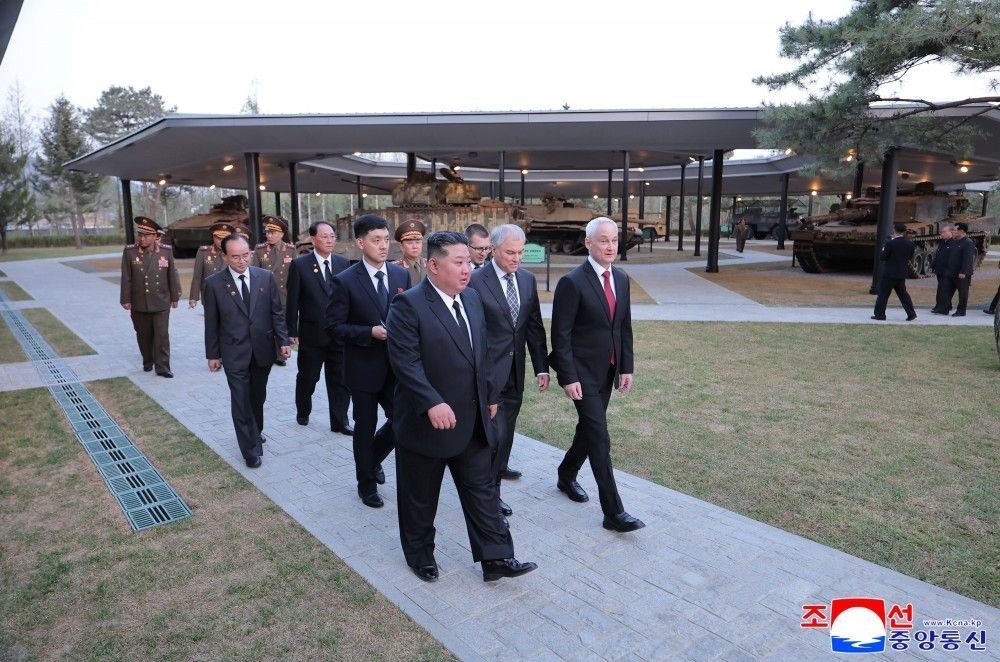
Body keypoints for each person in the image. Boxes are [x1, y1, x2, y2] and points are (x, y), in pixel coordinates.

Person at [387, 231, 537, 583]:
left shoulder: (471, 298)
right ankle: (420, 555)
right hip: (427, 424)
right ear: (433, 265)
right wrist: (431, 402)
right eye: (459, 262)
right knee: (420, 497)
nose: (468, 269)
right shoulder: (408, 305)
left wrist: (491, 396)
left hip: (473, 419)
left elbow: (481, 354)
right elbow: (406, 363)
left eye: (468, 261)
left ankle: (497, 558)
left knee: (482, 492)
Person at [549, 217, 644, 533]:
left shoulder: (622, 279)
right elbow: (561, 335)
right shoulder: (572, 282)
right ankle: (613, 513)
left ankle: (566, 474)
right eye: (604, 240)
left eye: (614, 240)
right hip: (581, 374)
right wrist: (568, 376)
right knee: (600, 437)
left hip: (608, 371)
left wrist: (626, 366)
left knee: (589, 430)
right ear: (588, 242)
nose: (610, 246)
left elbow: (624, 327)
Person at [327, 214, 411, 508]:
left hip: (396, 367)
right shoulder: (345, 281)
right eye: (376, 240)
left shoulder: (400, 275)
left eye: (386, 239)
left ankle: (372, 458)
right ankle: (366, 485)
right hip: (362, 369)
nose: (384, 245)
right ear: (360, 243)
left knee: (402, 420)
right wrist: (368, 332)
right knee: (364, 427)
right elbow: (333, 327)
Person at [469, 224, 549, 519]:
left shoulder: (527, 280)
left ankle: (492, 488)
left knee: (506, 436)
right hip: (486, 376)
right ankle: (487, 498)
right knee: (493, 436)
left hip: (515, 373)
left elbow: (533, 327)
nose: (517, 258)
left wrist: (542, 368)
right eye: (510, 253)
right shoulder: (476, 281)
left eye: (520, 252)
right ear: (493, 250)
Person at [202, 233, 291, 468]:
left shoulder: (265, 277)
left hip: (262, 349)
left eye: (245, 255)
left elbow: (276, 313)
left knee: (257, 397)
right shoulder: (214, 283)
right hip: (233, 352)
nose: (242, 261)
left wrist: (283, 341)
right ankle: (250, 450)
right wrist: (213, 354)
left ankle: (255, 430)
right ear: (224, 256)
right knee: (241, 400)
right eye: (235, 257)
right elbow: (211, 323)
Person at [286, 221, 353, 433]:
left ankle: (340, 421)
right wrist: (291, 331)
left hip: (339, 334)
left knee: (340, 380)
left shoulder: (343, 263)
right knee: (308, 377)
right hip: (312, 335)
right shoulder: (300, 265)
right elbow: (293, 301)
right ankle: (303, 410)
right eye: (325, 236)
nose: (330, 240)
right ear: (313, 239)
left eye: (332, 236)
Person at [120, 216, 181, 378]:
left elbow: (171, 275)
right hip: (139, 301)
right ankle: (148, 360)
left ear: (155, 236)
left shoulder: (166, 251)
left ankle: (162, 367)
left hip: (161, 301)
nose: (142, 238)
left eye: (146, 235)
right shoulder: (130, 252)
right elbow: (126, 277)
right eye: (140, 235)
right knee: (143, 335)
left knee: (162, 336)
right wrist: (125, 299)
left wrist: (175, 297)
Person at [252, 215, 296, 366]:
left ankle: (280, 355)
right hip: (264, 295)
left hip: (284, 295)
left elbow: (295, 275)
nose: (269, 235)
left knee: (281, 325)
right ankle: (267, 353)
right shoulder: (259, 249)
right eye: (267, 232)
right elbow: (254, 273)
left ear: (282, 234)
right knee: (266, 325)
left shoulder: (290, 250)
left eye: (273, 232)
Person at [871, 222, 917, 321]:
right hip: (901, 273)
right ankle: (911, 314)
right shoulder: (910, 243)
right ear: (904, 231)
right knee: (903, 295)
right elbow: (910, 257)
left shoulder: (890, 243)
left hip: (889, 273)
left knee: (883, 295)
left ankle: (880, 315)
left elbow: (883, 257)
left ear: (894, 230)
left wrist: (884, 247)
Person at [189, 222, 235, 307]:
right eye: (219, 238)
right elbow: (197, 276)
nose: (222, 241)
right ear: (213, 237)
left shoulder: (234, 252)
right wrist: (193, 297)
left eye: (225, 238)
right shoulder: (204, 252)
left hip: (230, 294)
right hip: (209, 294)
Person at [947, 222, 977, 316]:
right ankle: (946, 307)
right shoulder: (955, 241)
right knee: (947, 291)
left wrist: (963, 272)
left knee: (963, 293)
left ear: (961, 231)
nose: (953, 231)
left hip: (962, 273)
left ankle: (961, 311)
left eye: (955, 230)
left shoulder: (968, 243)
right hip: (952, 272)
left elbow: (967, 259)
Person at [393, 218, 427, 285]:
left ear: (422, 244)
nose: (415, 246)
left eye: (418, 242)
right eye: (409, 243)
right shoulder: (394, 268)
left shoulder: (431, 265)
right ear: (401, 247)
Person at [930, 224, 955, 314]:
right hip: (940, 270)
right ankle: (939, 306)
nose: (942, 234)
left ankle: (944, 308)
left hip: (948, 271)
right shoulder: (942, 242)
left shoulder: (954, 243)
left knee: (945, 290)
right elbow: (938, 255)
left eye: (944, 232)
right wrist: (933, 266)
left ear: (951, 232)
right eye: (941, 232)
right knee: (940, 289)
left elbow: (953, 259)